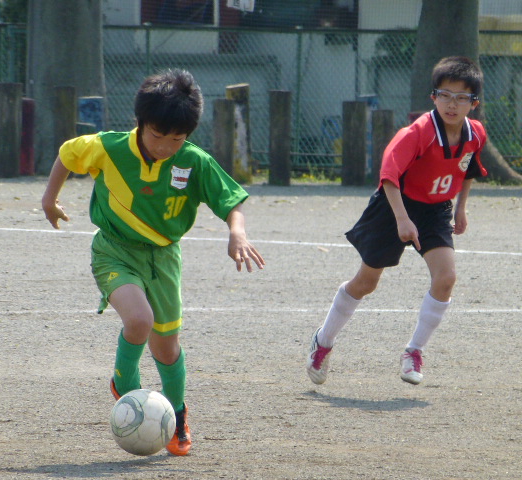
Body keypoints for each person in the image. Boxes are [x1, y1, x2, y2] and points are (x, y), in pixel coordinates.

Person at [42, 68, 265, 456]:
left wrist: (238, 232)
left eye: (176, 139)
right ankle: (125, 385)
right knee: (139, 320)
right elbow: (67, 153)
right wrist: (49, 199)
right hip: (114, 249)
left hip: (163, 258)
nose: (165, 146)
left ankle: (176, 413)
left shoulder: (193, 161)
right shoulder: (109, 147)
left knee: (166, 348)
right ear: (141, 123)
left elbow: (231, 201)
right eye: (157, 135)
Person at [307, 56, 487, 386]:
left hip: (435, 210)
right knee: (366, 283)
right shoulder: (417, 133)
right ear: (433, 96)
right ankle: (323, 340)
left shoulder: (475, 133)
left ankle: (413, 351)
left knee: (446, 278)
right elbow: (389, 176)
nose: (452, 104)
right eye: (445, 95)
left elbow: (468, 169)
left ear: (473, 103)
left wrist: (461, 208)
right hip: (394, 206)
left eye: (462, 97)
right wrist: (402, 219)